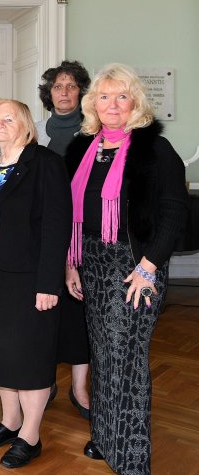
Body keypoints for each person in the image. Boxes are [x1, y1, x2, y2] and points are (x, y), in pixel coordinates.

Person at [64, 64, 188, 474]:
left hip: (137, 266)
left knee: (126, 357)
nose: (112, 104)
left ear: (135, 102)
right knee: (102, 353)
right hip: (92, 262)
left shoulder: (155, 151)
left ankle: (132, 458)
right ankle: (105, 436)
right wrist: (72, 264)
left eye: (121, 96)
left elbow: (174, 212)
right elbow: (71, 213)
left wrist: (150, 266)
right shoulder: (82, 148)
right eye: (104, 96)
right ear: (92, 104)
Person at [0, 99, 71, 469]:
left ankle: (31, 434)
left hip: (30, 278)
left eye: (7, 118)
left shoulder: (45, 164)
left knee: (29, 355)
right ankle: (10, 421)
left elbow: (56, 227)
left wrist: (49, 283)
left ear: (26, 125)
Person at [35, 60, 93, 419]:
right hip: (42, 234)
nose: (64, 92)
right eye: (58, 86)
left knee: (79, 310)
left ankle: (79, 386)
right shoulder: (38, 131)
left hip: (84, 235)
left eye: (71, 86)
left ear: (81, 92)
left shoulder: (94, 130)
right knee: (44, 308)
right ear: (49, 93)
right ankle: (45, 380)